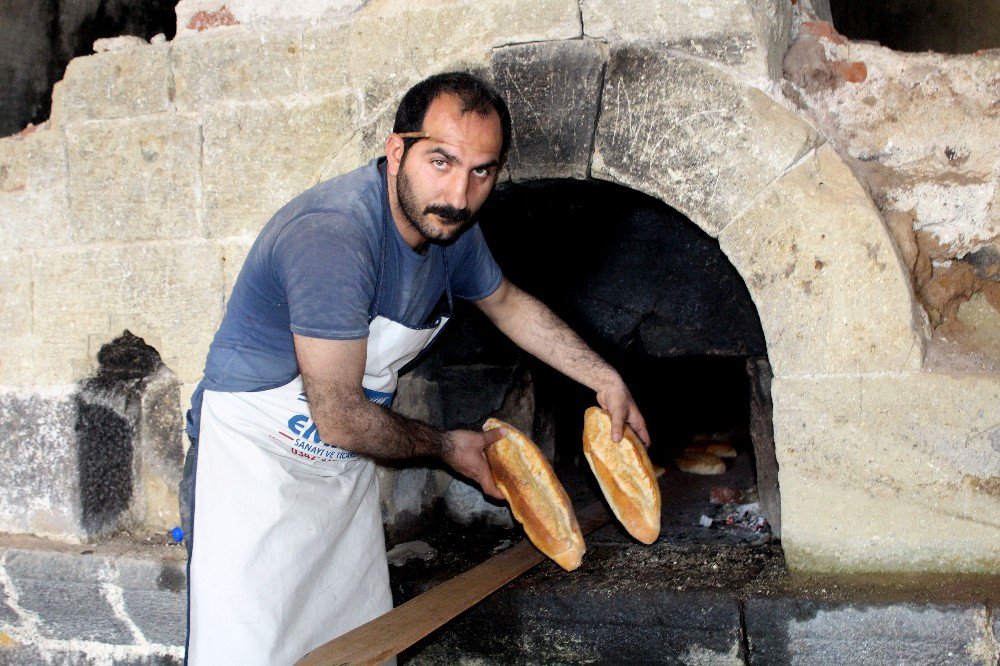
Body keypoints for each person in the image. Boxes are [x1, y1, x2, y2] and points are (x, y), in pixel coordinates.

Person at [180, 71, 649, 664]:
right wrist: (451, 448)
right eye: (442, 161)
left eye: (482, 171)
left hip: (337, 466)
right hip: (253, 464)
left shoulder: (449, 231)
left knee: (355, 644)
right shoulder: (335, 237)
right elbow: (342, 418)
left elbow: (506, 304)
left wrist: (605, 378)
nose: (459, 194)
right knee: (248, 649)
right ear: (395, 149)